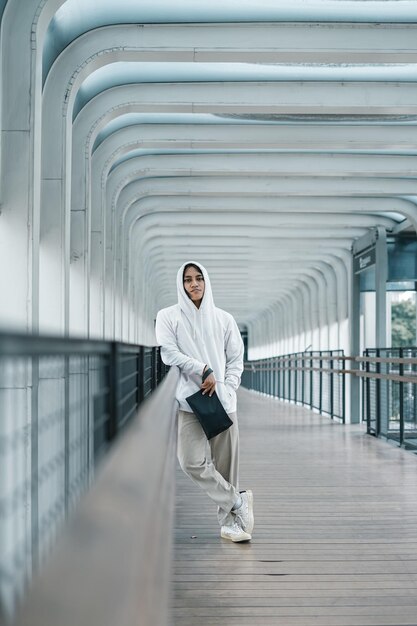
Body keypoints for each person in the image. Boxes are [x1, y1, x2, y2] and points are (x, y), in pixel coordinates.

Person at [155, 261, 254, 542]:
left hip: (222, 401)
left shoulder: (223, 318)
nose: (194, 284)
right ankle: (237, 502)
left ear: (206, 282)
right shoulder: (168, 316)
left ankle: (230, 525)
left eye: (199, 278)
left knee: (225, 464)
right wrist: (203, 369)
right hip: (189, 402)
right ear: (181, 284)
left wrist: (228, 386)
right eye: (187, 279)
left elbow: (236, 358)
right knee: (190, 461)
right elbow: (168, 353)